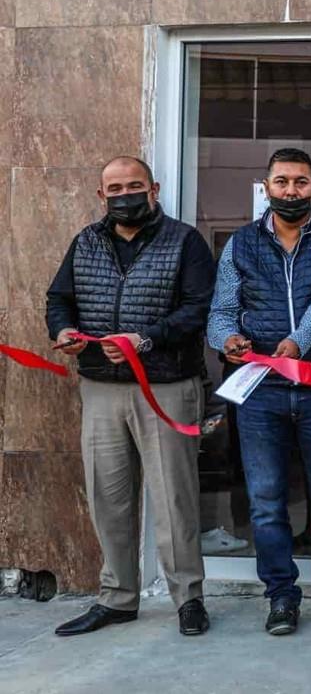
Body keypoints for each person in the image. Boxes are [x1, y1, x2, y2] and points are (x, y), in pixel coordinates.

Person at [46, 156, 214, 637]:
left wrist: (146, 339)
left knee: (174, 498)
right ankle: (118, 598)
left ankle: (189, 599)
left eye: (134, 186)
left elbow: (197, 310)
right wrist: (64, 330)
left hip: (164, 385)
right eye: (114, 188)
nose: (125, 195)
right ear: (101, 196)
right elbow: (59, 299)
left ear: (154, 188)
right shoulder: (86, 242)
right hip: (100, 387)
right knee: (109, 496)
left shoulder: (184, 241)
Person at [206, 147, 311, 636]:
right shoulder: (241, 243)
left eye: (301, 182)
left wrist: (299, 343)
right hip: (261, 391)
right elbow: (220, 311)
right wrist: (226, 340)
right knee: (267, 500)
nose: (291, 190)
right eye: (282, 182)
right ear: (266, 187)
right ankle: (281, 596)